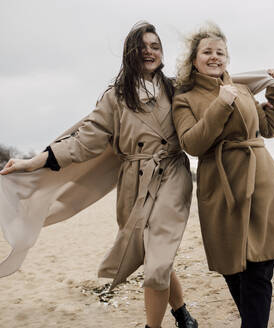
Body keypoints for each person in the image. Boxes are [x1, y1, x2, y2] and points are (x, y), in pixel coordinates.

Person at [0, 22, 197, 328]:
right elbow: (84, 140)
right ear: (130, 54)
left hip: (172, 175)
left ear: (162, 53)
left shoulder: (177, 88)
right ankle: (183, 315)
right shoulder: (115, 97)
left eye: (155, 46)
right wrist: (32, 163)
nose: (149, 52)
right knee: (154, 255)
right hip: (133, 181)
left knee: (157, 261)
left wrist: (257, 86)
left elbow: (213, 94)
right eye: (142, 47)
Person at [172, 23, 274, 328]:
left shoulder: (241, 89)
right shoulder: (184, 98)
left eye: (220, 52)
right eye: (207, 52)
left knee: (261, 265)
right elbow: (192, 143)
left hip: (261, 180)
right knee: (234, 269)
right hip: (221, 186)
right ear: (194, 59)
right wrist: (221, 104)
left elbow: (268, 129)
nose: (215, 57)